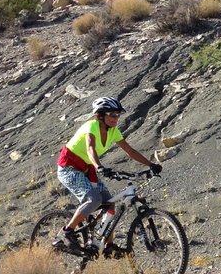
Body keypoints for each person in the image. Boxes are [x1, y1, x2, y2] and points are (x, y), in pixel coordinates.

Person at [56, 96, 162, 254]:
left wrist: (151, 164)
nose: (116, 118)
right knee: (94, 199)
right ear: (100, 115)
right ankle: (66, 233)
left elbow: (130, 150)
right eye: (112, 115)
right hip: (69, 167)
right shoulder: (91, 126)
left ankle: (107, 245)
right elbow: (90, 148)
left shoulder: (113, 131)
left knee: (109, 204)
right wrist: (99, 166)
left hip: (87, 169)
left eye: (118, 115)